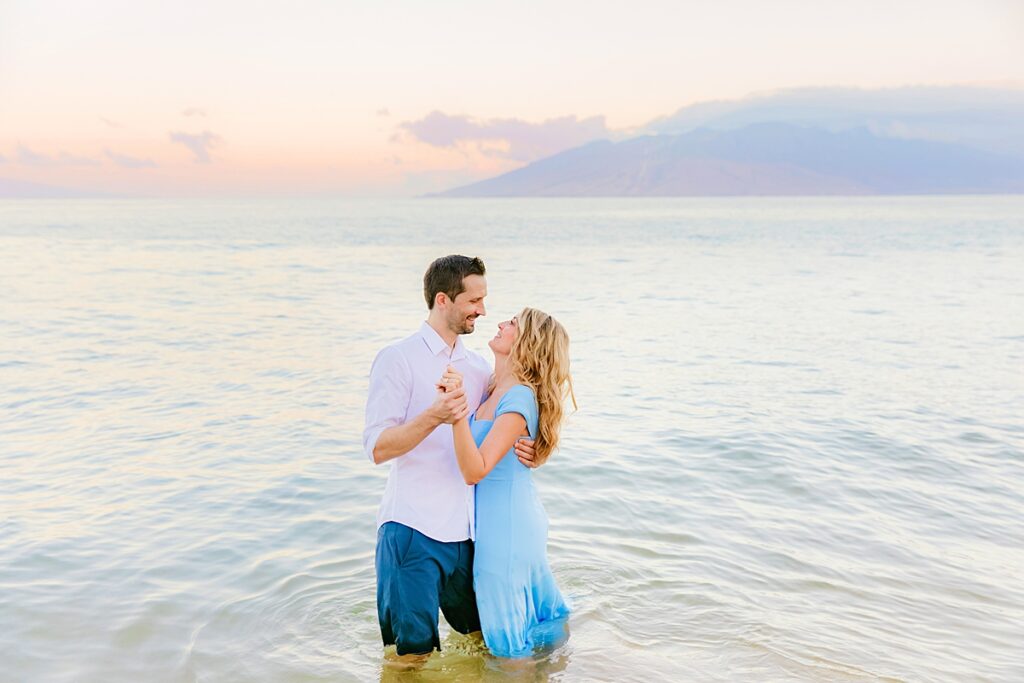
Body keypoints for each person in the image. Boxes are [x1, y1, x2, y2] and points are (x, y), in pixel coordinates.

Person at [362, 255, 538, 662]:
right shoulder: (398, 358)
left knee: (483, 644)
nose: (483, 310)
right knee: (412, 658)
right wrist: (433, 417)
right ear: (443, 300)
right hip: (411, 530)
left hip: (466, 536)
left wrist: (536, 450)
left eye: (484, 299)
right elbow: (377, 447)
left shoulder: (477, 368)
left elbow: (514, 414)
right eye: (474, 300)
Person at [439, 307, 574, 658]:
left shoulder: (518, 397)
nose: (500, 323)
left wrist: (455, 415)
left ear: (528, 341)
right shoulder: (490, 387)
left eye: (512, 323)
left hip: (507, 530)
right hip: (496, 526)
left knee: (508, 644)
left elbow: (475, 470)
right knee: (509, 632)